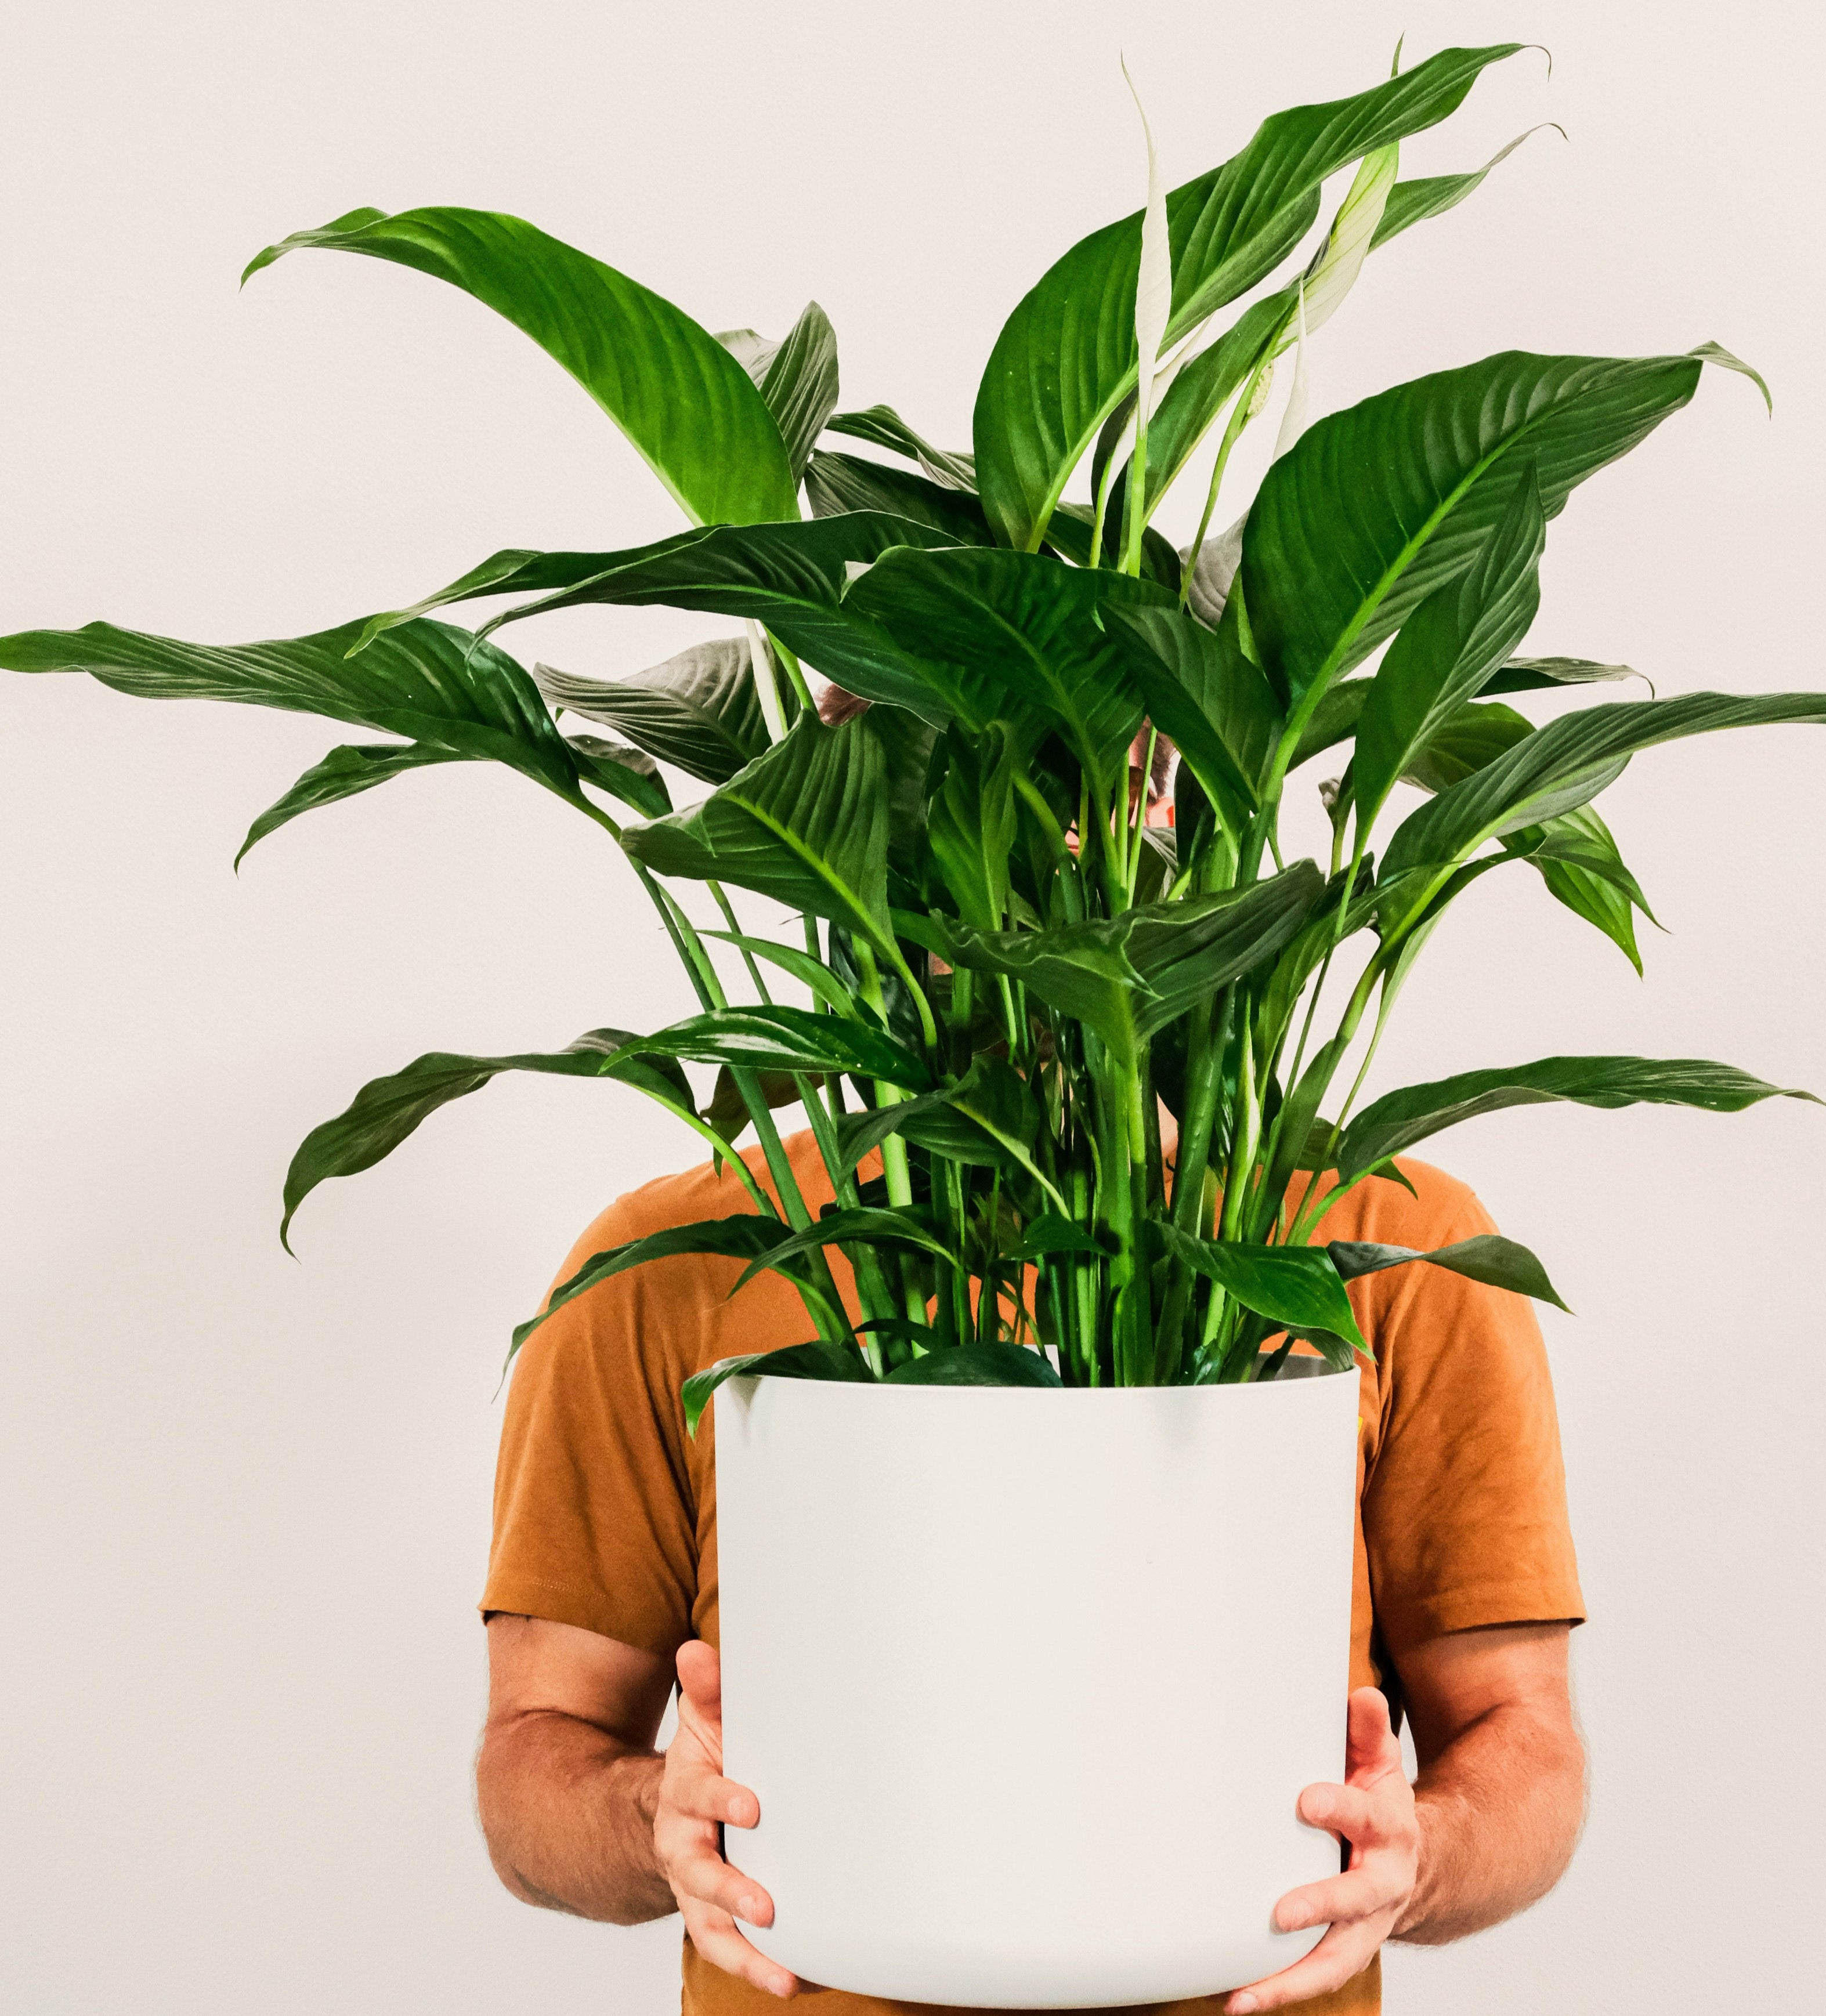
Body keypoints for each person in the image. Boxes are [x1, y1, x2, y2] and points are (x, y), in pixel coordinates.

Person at [475, 700, 1588, 2016]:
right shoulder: (674, 1256)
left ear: (1162, 811)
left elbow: (1525, 1738)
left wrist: (1425, 1852)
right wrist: (653, 1814)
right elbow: (531, 1763)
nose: (986, 843)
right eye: (903, 791)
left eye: (1055, 782)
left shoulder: (1388, 1239)